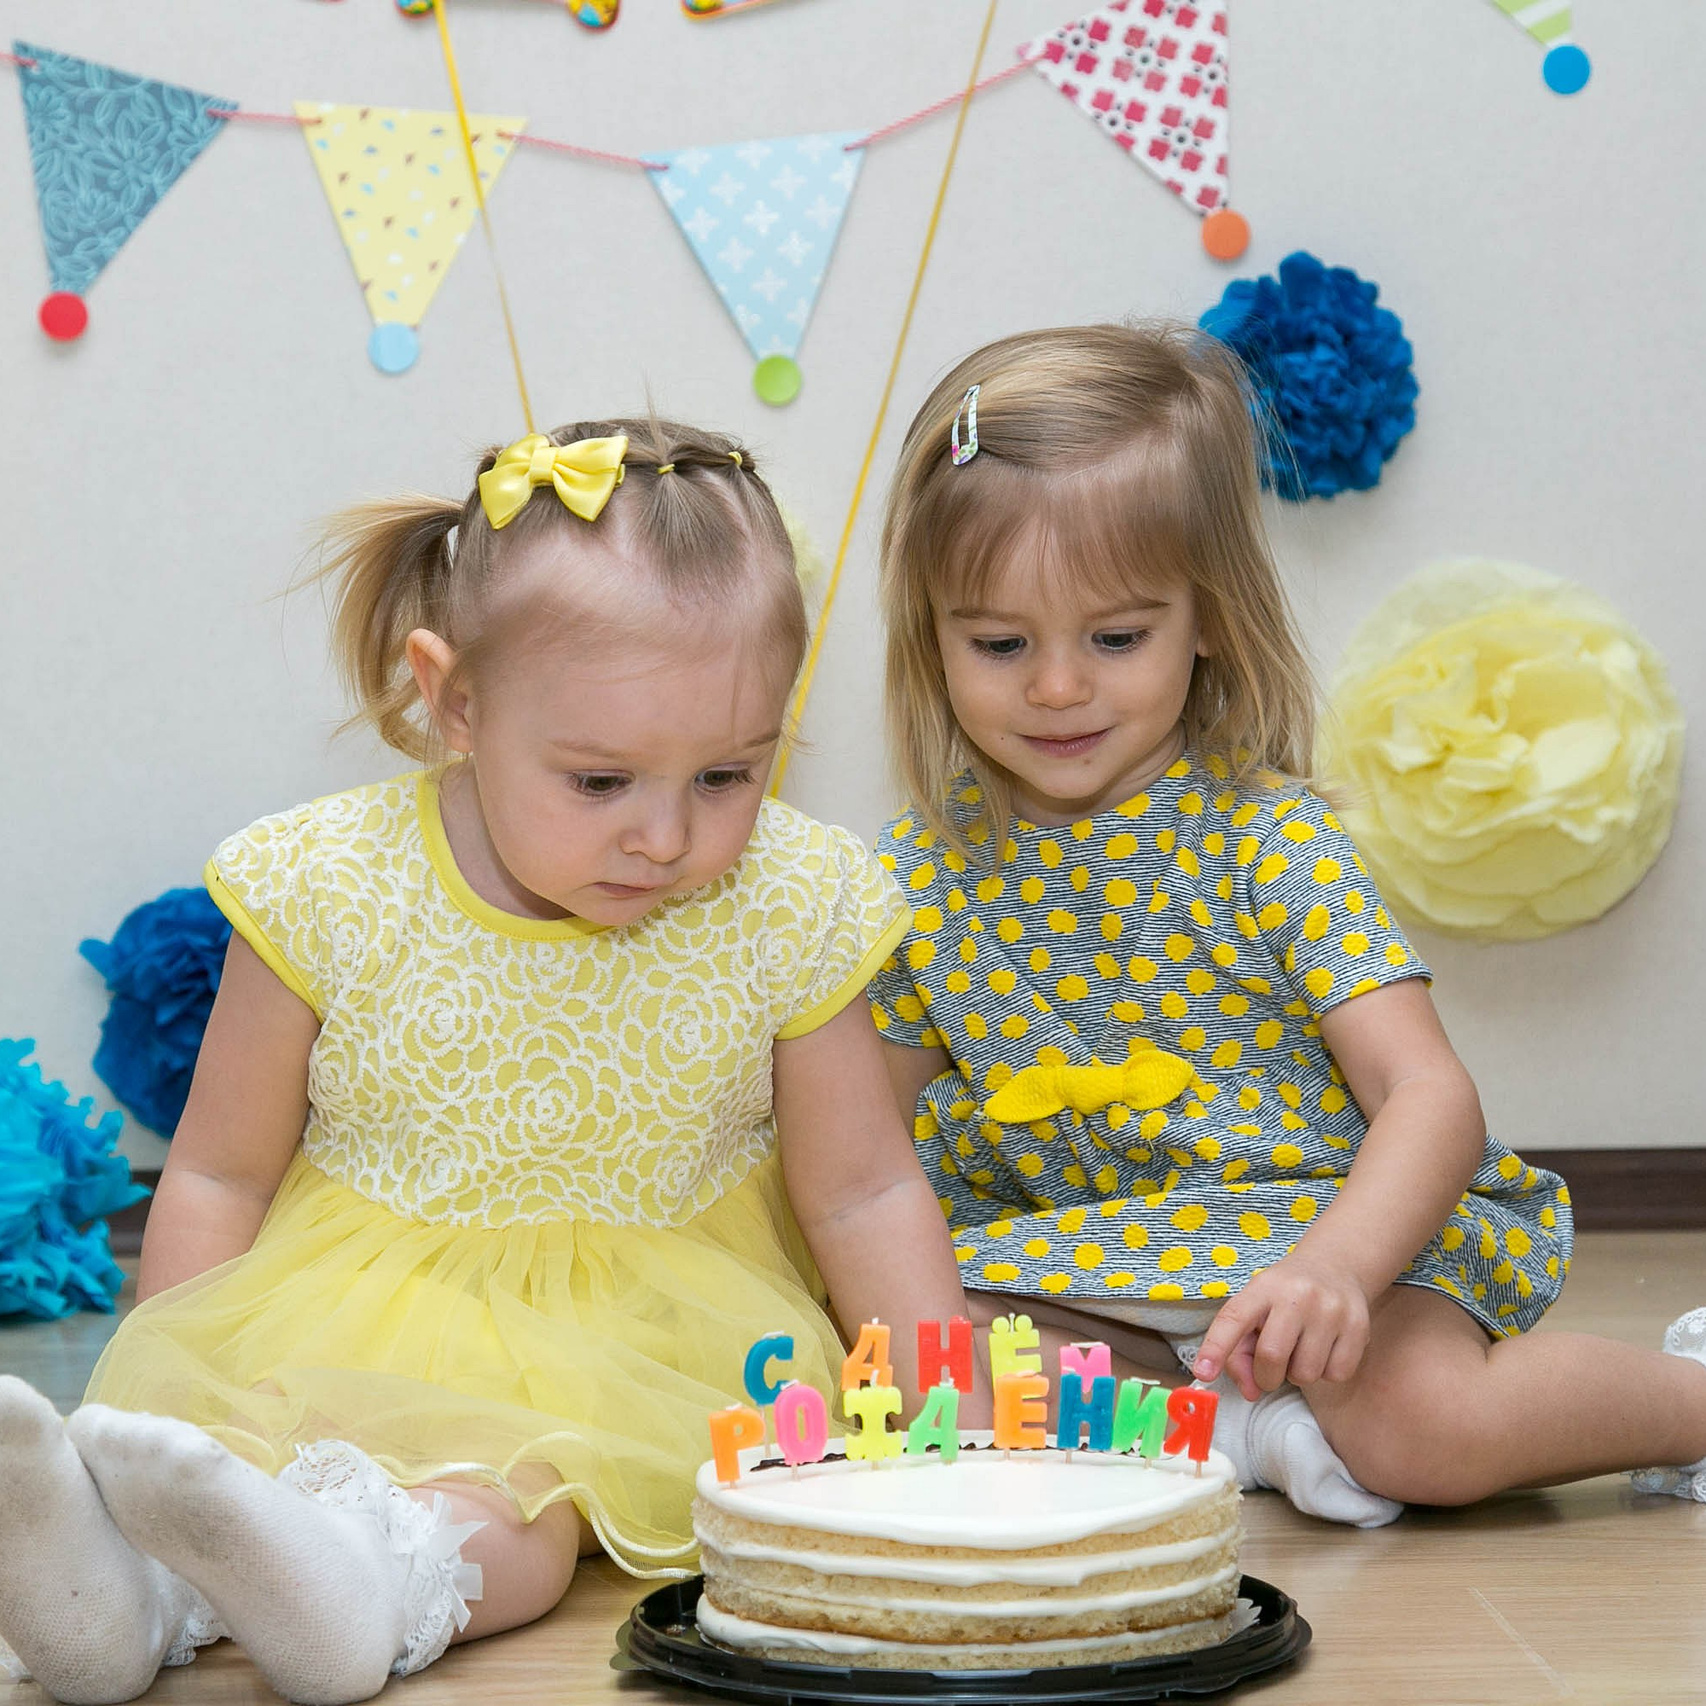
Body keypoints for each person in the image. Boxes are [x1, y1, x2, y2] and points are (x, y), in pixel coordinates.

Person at [0, 418, 977, 1706]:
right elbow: (221, 1175)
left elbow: (859, 1190)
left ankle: (371, 1590)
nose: (667, 835)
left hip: (640, 1339)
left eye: (728, 772)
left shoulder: (790, 897)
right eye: (600, 779)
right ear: (455, 700)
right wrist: (176, 1394)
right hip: (346, 1296)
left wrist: (955, 1432)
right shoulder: (323, 885)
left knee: (525, 1505)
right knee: (227, 1458)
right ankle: (119, 1599)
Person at [867, 322, 1706, 1529]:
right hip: (1080, 1263)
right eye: (999, 643)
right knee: (919, 1365)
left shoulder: (1267, 841)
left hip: (1331, 1230)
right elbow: (871, 1158)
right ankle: (1256, 1431)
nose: (1056, 685)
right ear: (930, 633)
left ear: (1205, 616)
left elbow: (1429, 1097)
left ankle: (1685, 1395)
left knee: (1425, 1427)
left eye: (1114, 637)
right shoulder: (913, 878)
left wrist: (1335, 1268)